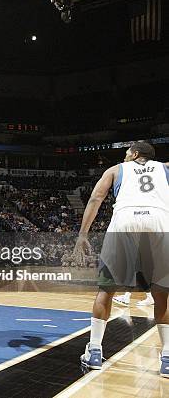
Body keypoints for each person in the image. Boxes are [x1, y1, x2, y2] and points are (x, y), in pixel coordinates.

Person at [74, 142, 169, 375]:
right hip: (158, 222)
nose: (124, 156)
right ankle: (167, 357)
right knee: (162, 293)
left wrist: (82, 235)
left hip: (125, 221)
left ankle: (95, 351)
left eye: (127, 153)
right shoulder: (166, 168)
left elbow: (96, 198)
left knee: (106, 290)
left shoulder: (116, 170)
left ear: (135, 154)